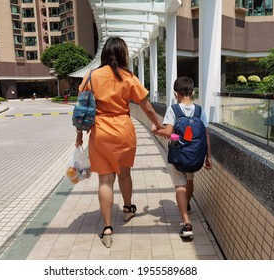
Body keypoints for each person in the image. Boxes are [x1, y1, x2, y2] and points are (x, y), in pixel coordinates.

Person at [75, 37, 163, 248]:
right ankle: (127, 209)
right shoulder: (129, 77)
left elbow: (82, 108)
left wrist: (79, 135)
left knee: (105, 181)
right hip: (123, 131)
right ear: (123, 54)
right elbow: (146, 106)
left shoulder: (91, 76)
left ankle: (107, 228)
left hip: (100, 132)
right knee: (124, 173)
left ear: (104, 54)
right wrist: (158, 125)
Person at [151, 76, 212, 238]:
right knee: (190, 180)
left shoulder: (173, 109)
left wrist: (156, 130)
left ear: (176, 93)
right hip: (196, 155)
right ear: (192, 92)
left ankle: (186, 223)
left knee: (180, 185)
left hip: (179, 155)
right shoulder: (199, 110)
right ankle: (187, 205)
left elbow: (168, 133)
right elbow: (206, 134)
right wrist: (208, 157)